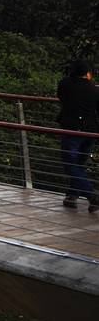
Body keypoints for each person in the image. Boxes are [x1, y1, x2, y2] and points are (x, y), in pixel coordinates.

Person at [57, 59, 99, 213]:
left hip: (72, 130)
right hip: (91, 131)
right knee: (79, 164)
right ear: (87, 73)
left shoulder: (64, 84)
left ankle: (91, 194)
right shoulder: (94, 89)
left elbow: (62, 98)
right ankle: (72, 195)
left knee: (70, 164)